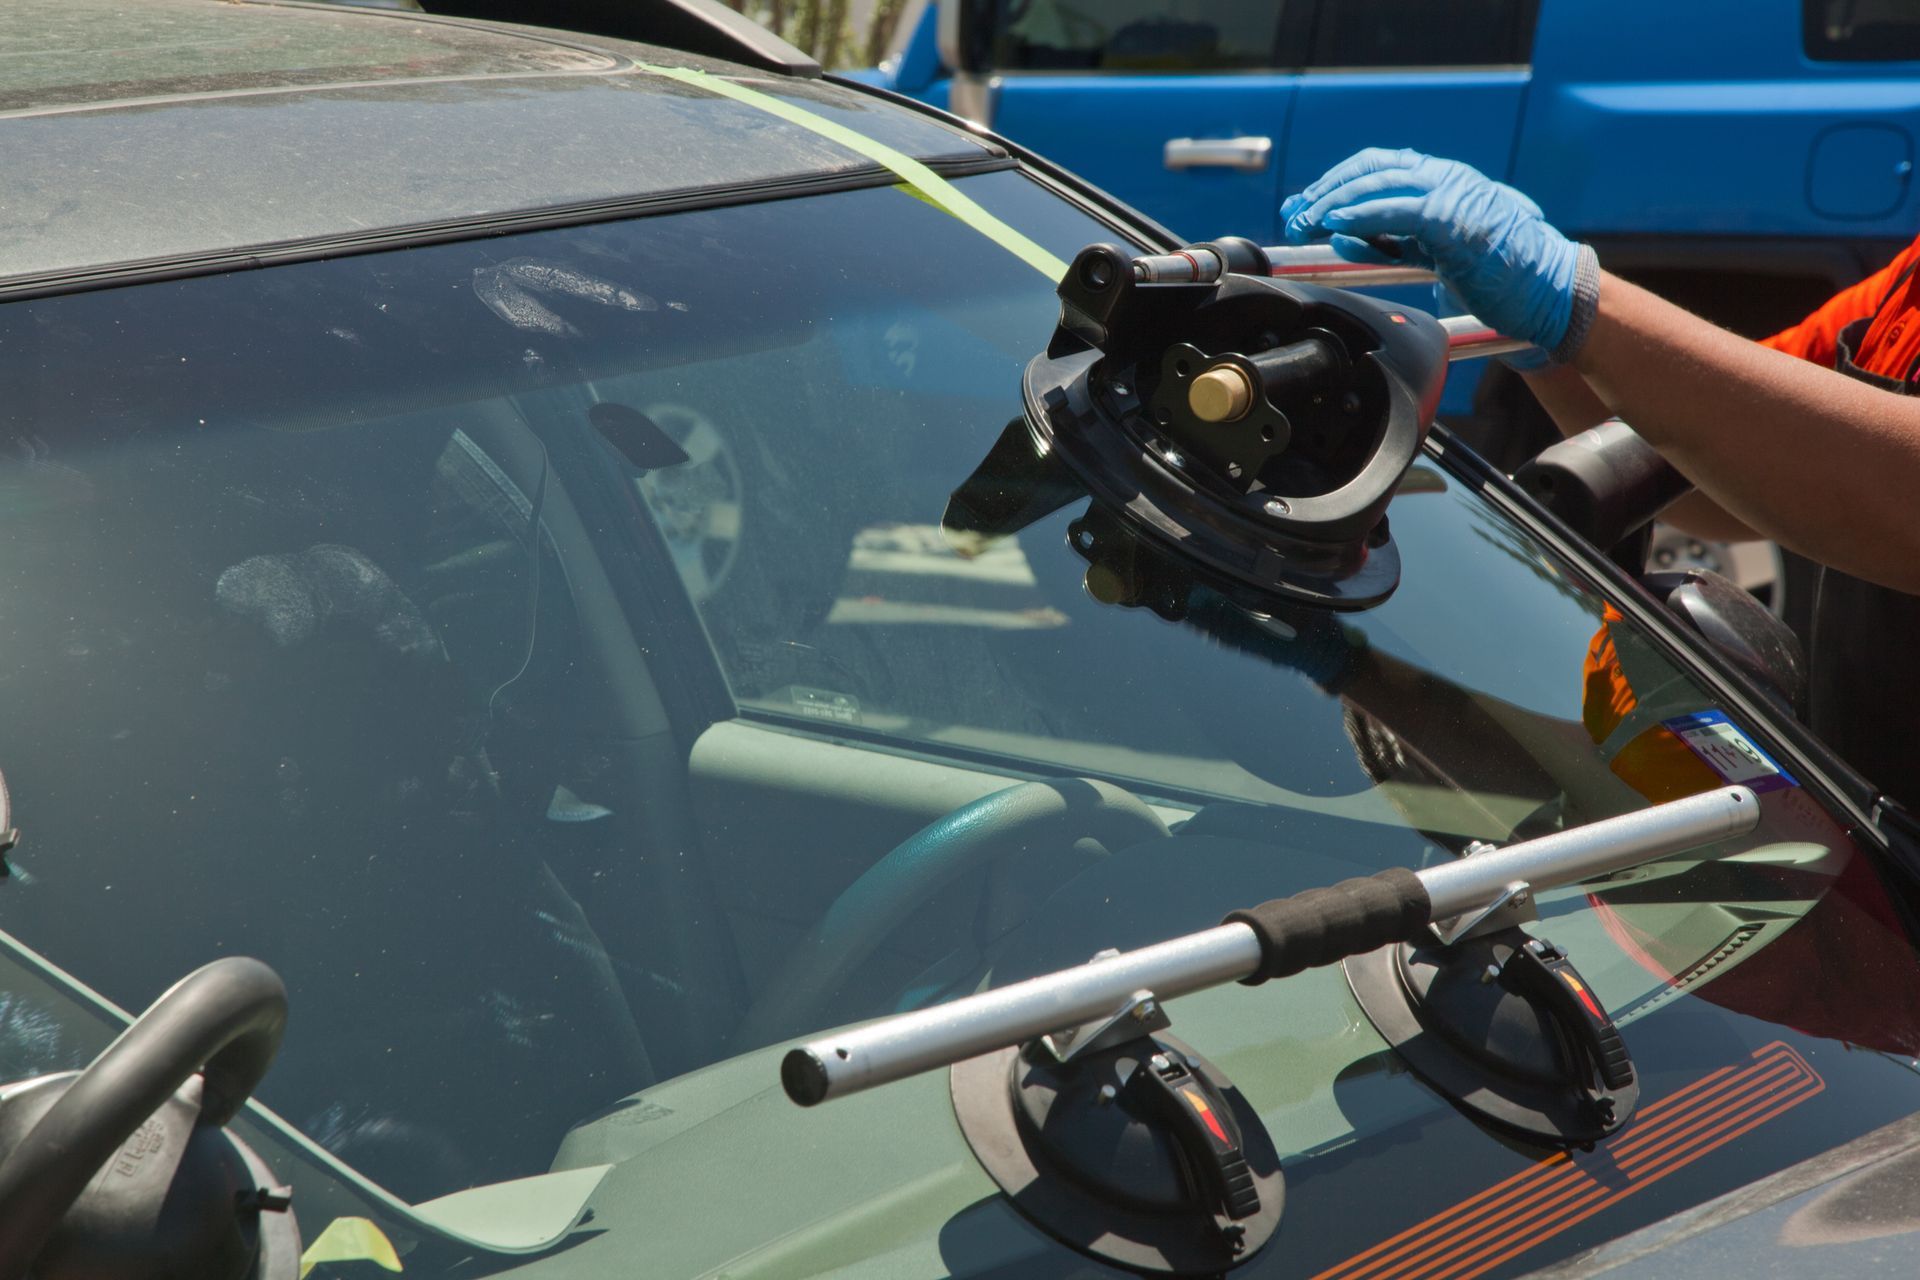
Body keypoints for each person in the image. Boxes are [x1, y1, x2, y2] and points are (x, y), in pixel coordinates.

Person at [1281, 149, 1920, 808]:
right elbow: (1721, 445)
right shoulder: (1910, 282)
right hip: (1874, 811)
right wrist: (1549, 348)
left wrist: (1577, 297)